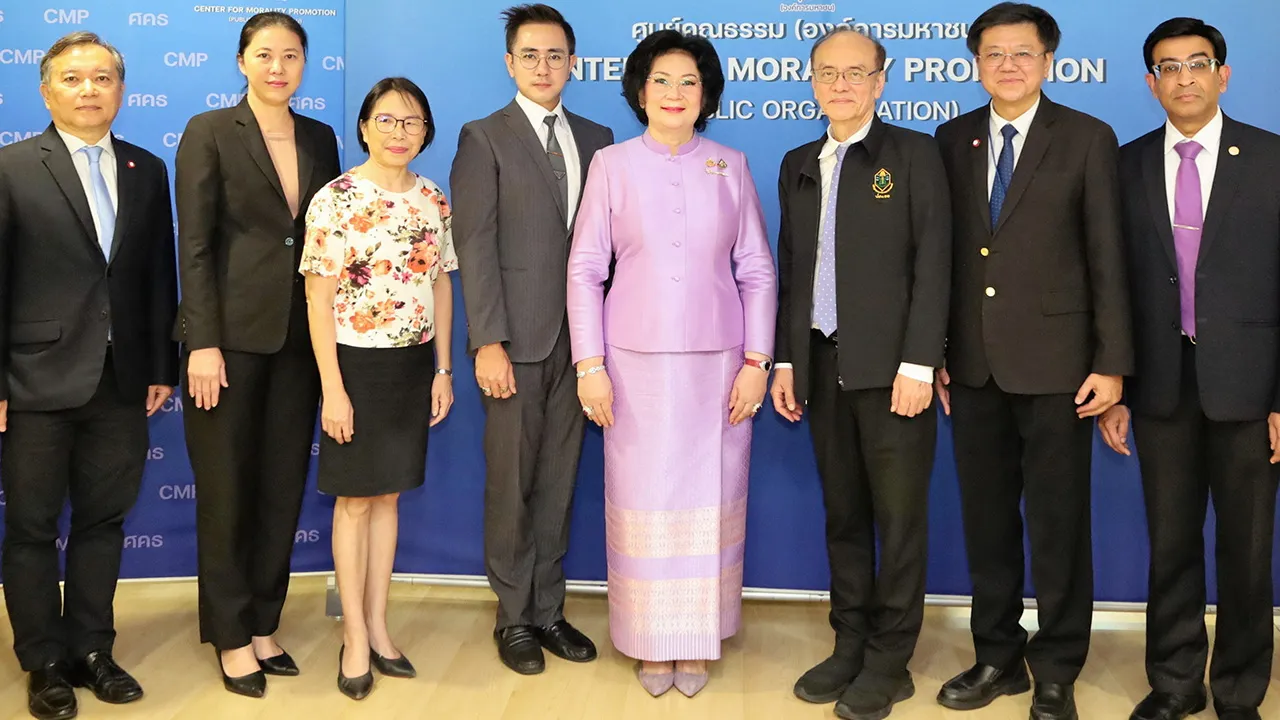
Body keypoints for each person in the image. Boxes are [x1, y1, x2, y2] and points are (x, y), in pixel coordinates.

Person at [932, 4, 1133, 720]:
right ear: (976, 64)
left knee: (1058, 526)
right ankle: (997, 656)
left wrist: (1113, 365)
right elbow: (944, 257)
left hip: (1060, 368)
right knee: (987, 524)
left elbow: (1108, 256)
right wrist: (937, 353)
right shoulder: (951, 138)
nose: (1008, 65)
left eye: (1023, 53)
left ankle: (1056, 668)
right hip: (973, 367)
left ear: (1048, 61)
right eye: (994, 53)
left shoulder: (1086, 137)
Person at [567, 29, 777, 698]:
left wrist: (758, 360)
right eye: (661, 80)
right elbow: (585, 269)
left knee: (711, 500)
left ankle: (699, 638)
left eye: (689, 82)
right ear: (639, 91)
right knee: (644, 500)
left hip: (721, 365)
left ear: (707, 95)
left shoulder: (731, 165)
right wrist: (589, 365)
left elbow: (757, 269)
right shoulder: (612, 165)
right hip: (631, 364)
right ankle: (648, 641)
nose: (675, 93)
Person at [1098, 18, 1280, 720]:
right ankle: (1174, 683)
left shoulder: (1270, 159)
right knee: (1170, 544)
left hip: (1250, 389)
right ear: (1152, 84)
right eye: (1168, 68)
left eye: (1197, 64)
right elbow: (1112, 286)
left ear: (1222, 75)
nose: (1183, 78)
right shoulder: (1126, 165)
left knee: (1247, 550)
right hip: (1160, 388)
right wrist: (1117, 383)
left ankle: (1238, 690)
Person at [772, 28, 950, 720]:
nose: (841, 85)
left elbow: (935, 262)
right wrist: (787, 358)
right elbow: (792, 270)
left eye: (856, 73)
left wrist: (920, 361)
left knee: (898, 523)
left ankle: (889, 660)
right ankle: (849, 643)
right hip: (821, 366)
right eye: (827, 73)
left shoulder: (913, 155)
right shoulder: (798, 162)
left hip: (894, 372)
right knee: (844, 515)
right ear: (812, 81)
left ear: (880, 80)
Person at [0, 31, 177, 720]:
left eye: (102, 77)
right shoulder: (12, 168)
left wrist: (159, 364)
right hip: (33, 380)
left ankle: (93, 650)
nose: (89, 89)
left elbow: (157, 273)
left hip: (121, 379)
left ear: (121, 90)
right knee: (32, 528)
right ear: (46, 91)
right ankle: (43, 661)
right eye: (73, 78)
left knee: (104, 521)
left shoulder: (146, 168)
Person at [174, 11, 341, 698]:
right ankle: (231, 634)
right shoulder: (210, 131)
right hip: (229, 345)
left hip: (300, 343)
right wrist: (202, 341)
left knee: (280, 488)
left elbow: (326, 244)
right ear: (242, 60)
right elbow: (195, 245)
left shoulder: (321, 137)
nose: (278, 67)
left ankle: (265, 623)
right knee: (225, 492)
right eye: (265, 54)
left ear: (304, 64)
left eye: (291, 55)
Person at [451, 3, 613, 676]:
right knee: (511, 486)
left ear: (572, 63)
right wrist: (487, 340)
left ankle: (549, 611)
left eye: (555, 56)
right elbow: (475, 244)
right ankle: (513, 617)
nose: (543, 67)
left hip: (583, 346)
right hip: (514, 344)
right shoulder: (483, 137)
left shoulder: (600, 137)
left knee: (558, 482)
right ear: (509, 63)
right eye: (529, 55)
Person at [300, 76, 457, 701]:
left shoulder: (433, 198)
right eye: (387, 120)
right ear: (364, 127)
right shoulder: (335, 198)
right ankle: (354, 638)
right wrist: (332, 390)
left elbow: (441, 282)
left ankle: (380, 625)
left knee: (389, 496)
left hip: (413, 366)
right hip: (353, 367)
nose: (399, 132)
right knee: (356, 502)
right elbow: (318, 301)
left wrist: (443, 369)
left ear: (426, 132)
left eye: (412, 121)